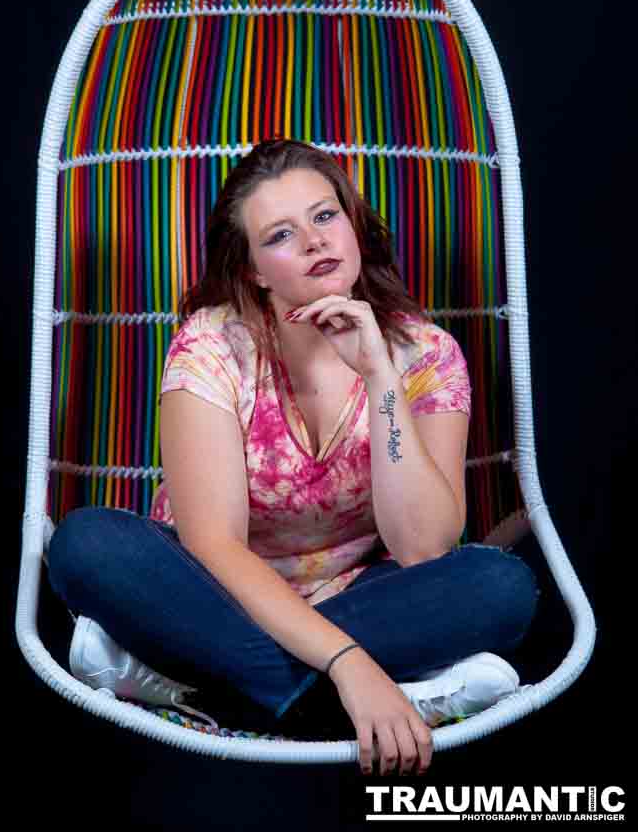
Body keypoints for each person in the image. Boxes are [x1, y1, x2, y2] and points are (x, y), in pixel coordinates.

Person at [47, 138, 541, 778]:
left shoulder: (428, 356)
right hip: (208, 594)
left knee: (498, 588)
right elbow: (215, 545)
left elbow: (423, 547)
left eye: (325, 216)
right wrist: (350, 665)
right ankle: (342, 703)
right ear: (253, 268)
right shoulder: (212, 345)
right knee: (87, 545)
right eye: (281, 233)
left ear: (353, 226)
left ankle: (207, 691)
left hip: (356, 596)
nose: (314, 241)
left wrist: (381, 377)